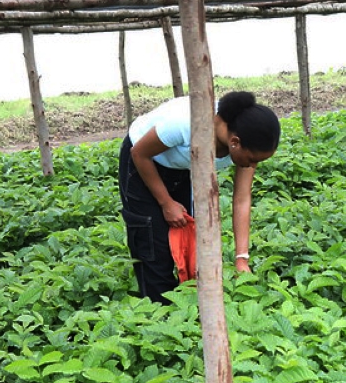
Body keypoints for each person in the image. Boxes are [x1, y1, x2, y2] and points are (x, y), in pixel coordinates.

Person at [118, 91, 280, 303]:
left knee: (186, 240)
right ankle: (157, 313)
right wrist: (166, 203)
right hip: (143, 159)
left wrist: (242, 257)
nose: (251, 165)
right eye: (251, 160)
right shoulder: (186, 124)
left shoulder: (248, 145)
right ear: (235, 142)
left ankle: (186, 308)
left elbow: (242, 198)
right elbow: (139, 153)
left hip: (184, 168)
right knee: (152, 242)